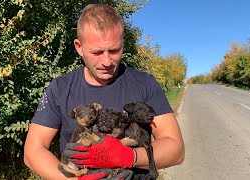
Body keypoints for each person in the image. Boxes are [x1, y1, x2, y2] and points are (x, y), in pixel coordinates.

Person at [24, 4, 184, 180]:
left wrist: (129, 157)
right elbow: (33, 152)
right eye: (97, 52)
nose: (107, 61)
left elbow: (176, 150)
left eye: (114, 50)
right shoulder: (60, 88)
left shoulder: (144, 83)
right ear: (79, 47)